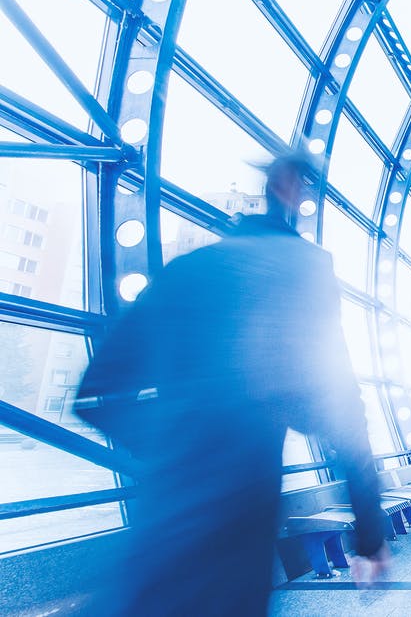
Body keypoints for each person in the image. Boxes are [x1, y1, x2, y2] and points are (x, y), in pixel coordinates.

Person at [73, 153, 388, 616]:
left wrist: (174, 452)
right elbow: (342, 406)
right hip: (239, 523)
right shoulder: (304, 267)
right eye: (306, 188)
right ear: (287, 187)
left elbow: (97, 393)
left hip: (160, 525)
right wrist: (369, 533)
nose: (308, 199)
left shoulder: (188, 269)